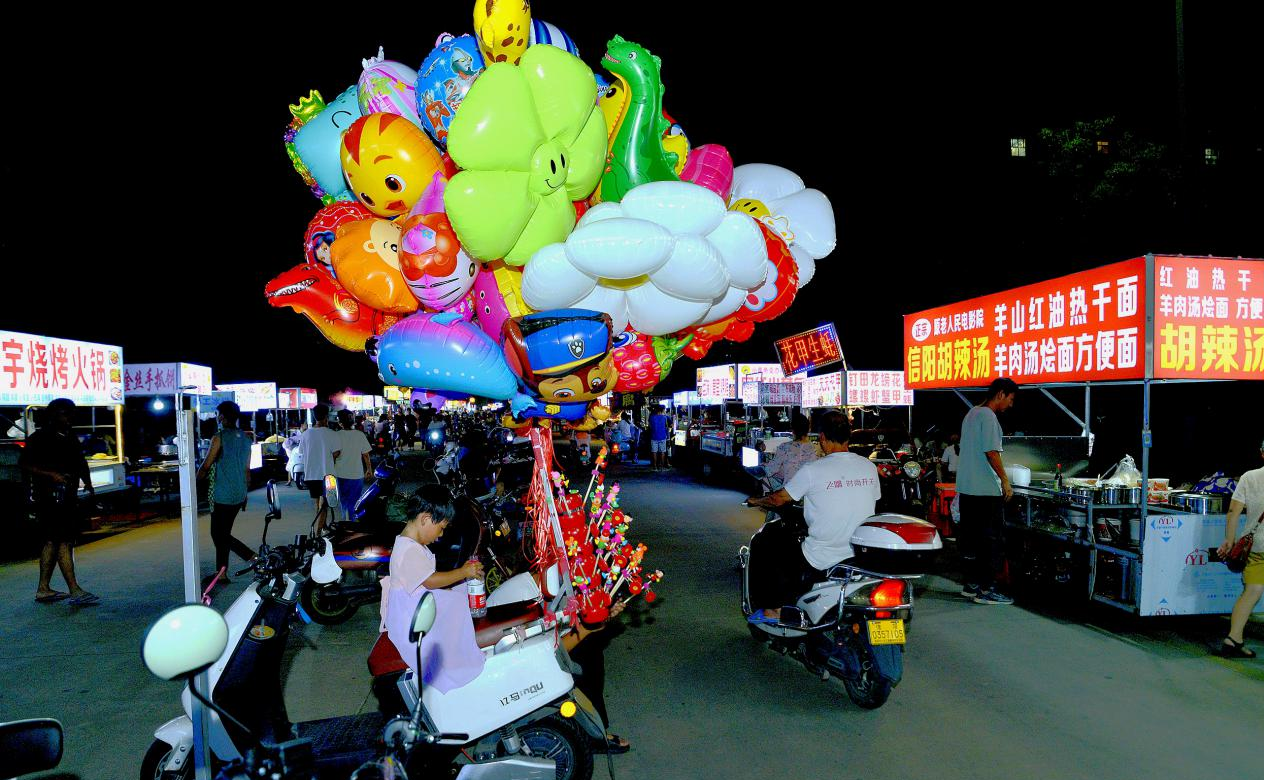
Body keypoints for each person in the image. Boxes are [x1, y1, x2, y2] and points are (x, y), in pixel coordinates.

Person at [745, 410, 881, 621]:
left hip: (822, 556)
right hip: (859, 552)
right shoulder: (869, 467)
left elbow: (778, 499)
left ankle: (775, 610)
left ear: (823, 438)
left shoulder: (814, 469)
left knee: (771, 548)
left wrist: (756, 501)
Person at [380, 486, 485, 692]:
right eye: (441, 527)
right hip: (412, 619)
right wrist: (463, 572)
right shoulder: (408, 549)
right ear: (426, 519)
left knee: (459, 593)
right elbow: (430, 581)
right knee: (457, 602)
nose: (440, 535)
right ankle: (459, 662)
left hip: (416, 604)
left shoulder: (411, 543)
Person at [20, 399, 100, 606]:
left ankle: (43, 589)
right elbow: (26, 465)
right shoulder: (40, 437)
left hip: (67, 495)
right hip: (48, 497)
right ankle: (74, 589)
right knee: (62, 540)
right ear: (55, 416)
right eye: (66, 414)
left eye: (71, 414)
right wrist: (51, 475)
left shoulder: (70, 436)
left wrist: (88, 484)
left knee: (52, 541)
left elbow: (81, 462)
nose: (70, 418)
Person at [956, 378, 1018, 605]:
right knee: (991, 541)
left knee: (971, 538)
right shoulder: (989, 417)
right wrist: (1005, 481)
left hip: (968, 489)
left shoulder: (972, 413)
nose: (1010, 405)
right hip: (985, 490)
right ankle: (987, 590)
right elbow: (992, 452)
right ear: (1001, 394)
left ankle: (971, 585)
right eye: (1010, 399)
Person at [195, 401, 257, 585]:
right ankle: (221, 573)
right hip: (239, 493)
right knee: (222, 532)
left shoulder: (218, 437)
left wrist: (194, 481)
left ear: (222, 416)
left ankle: (252, 557)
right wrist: (245, 492)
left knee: (219, 534)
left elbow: (206, 465)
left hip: (222, 493)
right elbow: (247, 470)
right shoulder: (246, 439)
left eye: (218, 414)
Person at [563, 601, 632, 754]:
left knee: (591, 649)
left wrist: (601, 615)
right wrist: (588, 627)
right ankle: (586, 733)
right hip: (526, 658)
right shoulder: (525, 592)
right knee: (583, 654)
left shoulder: (554, 583)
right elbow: (554, 649)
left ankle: (591, 727)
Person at [1215, 442, 1264, 658]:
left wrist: (1229, 540)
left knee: (1251, 592)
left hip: (1258, 546)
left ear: (1262, 453)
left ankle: (1233, 638)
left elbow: (1233, 511)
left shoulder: (1249, 477)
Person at [299, 404, 342, 535]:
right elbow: (337, 452)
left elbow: (302, 452)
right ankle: (318, 532)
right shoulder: (331, 433)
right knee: (325, 504)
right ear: (326, 417)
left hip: (311, 474)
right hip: (328, 475)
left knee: (318, 503)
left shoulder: (306, 434)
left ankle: (322, 526)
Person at [762, 413, 822, 489]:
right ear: (808, 429)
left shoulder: (784, 447)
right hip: (809, 491)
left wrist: (763, 466)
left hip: (789, 492)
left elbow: (771, 470)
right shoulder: (816, 448)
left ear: (792, 430)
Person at [333, 410, 373, 523]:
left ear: (340, 422)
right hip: (356, 475)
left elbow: (333, 455)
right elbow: (366, 455)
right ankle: (352, 522)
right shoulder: (360, 435)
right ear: (353, 422)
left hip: (340, 474)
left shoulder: (336, 435)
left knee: (344, 501)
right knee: (354, 502)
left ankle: (347, 521)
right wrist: (369, 469)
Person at [648, 405, 671, 472]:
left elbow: (650, 426)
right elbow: (668, 426)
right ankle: (661, 467)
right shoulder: (665, 417)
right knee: (662, 452)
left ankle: (655, 467)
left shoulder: (652, 417)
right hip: (663, 436)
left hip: (654, 436)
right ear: (662, 410)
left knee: (654, 452)